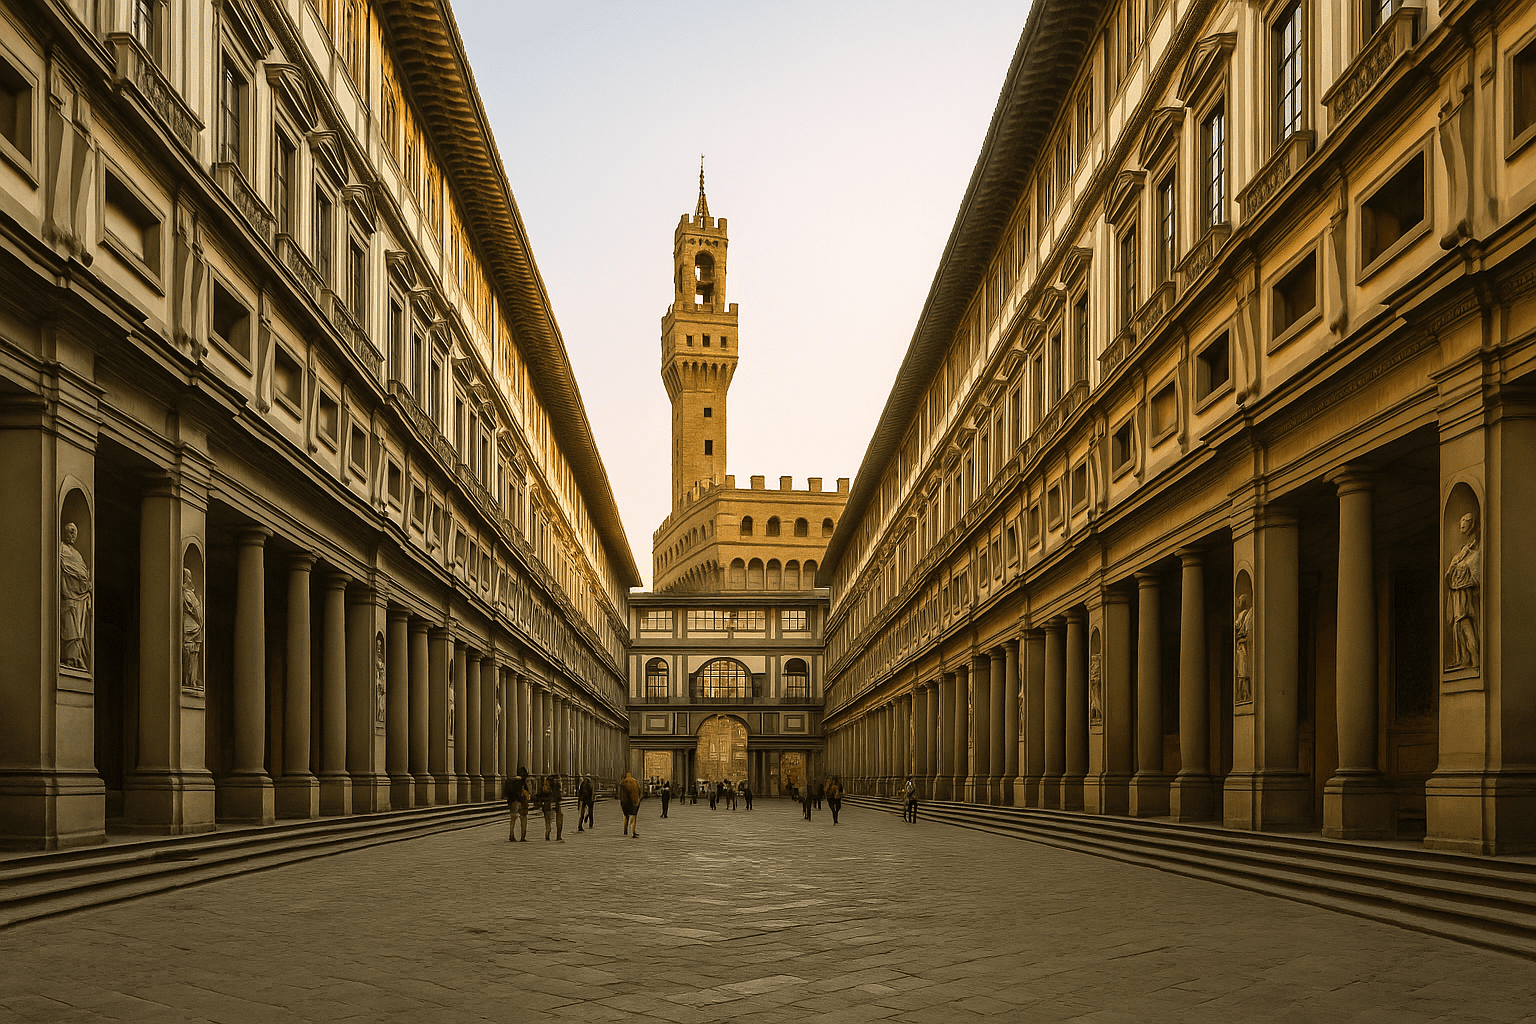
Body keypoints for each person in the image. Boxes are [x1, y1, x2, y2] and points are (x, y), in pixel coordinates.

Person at [506, 767, 531, 842]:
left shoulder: (513, 780)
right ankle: (523, 836)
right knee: (523, 818)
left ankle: (511, 834)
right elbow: (526, 791)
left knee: (513, 819)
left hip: (514, 801)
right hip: (521, 801)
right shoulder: (522, 781)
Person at [619, 771, 642, 838]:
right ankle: (633, 831)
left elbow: (620, 794)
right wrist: (638, 800)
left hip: (624, 802)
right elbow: (638, 791)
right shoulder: (634, 782)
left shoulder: (622, 783)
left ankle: (625, 830)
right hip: (633, 801)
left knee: (626, 816)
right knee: (633, 817)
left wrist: (621, 800)